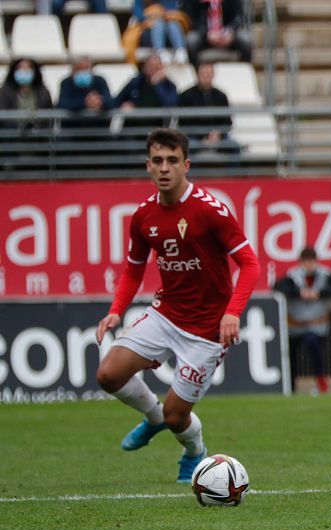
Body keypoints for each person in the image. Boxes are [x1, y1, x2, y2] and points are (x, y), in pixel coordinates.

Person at [94, 128, 260, 483]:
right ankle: (151, 419)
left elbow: (250, 263)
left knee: (176, 416)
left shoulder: (210, 210)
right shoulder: (143, 217)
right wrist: (115, 310)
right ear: (148, 166)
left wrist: (233, 311)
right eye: (157, 161)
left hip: (206, 331)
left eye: (172, 161)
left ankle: (193, 450)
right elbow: (132, 269)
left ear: (186, 165)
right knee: (108, 374)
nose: (164, 168)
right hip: (166, 313)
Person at [273, 246, 331, 394]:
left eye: (312, 262)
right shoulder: (292, 276)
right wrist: (299, 293)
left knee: (314, 346)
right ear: (301, 262)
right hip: (295, 326)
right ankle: (291, 386)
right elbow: (278, 287)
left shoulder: (325, 275)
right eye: (306, 262)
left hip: (318, 325)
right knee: (291, 357)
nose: (309, 265)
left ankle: (319, 379)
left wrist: (319, 293)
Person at [177, 61, 240, 157]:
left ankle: (235, 172)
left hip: (218, 136)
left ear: (213, 76)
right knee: (189, 147)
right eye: (203, 74)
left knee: (235, 147)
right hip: (194, 137)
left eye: (209, 74)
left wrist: (218, 133)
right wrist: (203, 136)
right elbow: (184, 122)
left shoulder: (221, 95)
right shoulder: (186, 95)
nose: (206, 78)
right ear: (197, 75)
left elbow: (227, 121)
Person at [115, 53, 179, 136]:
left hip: (157, 132)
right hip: (133, 130)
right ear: (144, 68)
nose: (153, 69)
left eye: (157, 67)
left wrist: (157, 84)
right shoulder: (135, 82)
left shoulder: (169, 85)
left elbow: (170, 104)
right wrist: (124, 105)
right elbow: (115, 101)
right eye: (150, 66)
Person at [183, 0, 253, 67]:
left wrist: (230, 31)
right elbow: (191, 18)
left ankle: (241, 74)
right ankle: (198, 75)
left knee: (246, 41)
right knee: (191, 41)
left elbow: (239, 16)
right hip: (204, 35)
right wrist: (206, 34)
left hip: (227, 35)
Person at [56, 57, 115, 135]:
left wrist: (100, 102)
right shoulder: (66, 83)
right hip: (72, 133)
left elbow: (111, 102)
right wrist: (85, 103)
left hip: (99, 132)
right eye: (79, 69)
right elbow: (62, 104)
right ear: (72, 71)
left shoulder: (100, 81)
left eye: (86, 68)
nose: (82, 72)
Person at [126, 0, 191, 65]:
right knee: (159, 24)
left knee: (173, 24)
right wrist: (152, 15)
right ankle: (160, 52)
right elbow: (139, 16)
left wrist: (161, 14)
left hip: (169, 35)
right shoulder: (139, 1)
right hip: (148, 34)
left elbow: (173, 12)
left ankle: (181, 51)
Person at [0, 58, 53, 136]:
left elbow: (49, 114)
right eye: (20, 68)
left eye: (27, 69)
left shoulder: (43, 92)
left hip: (38, 138)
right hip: (11, 137)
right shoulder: (4, 92)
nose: (23, 71)